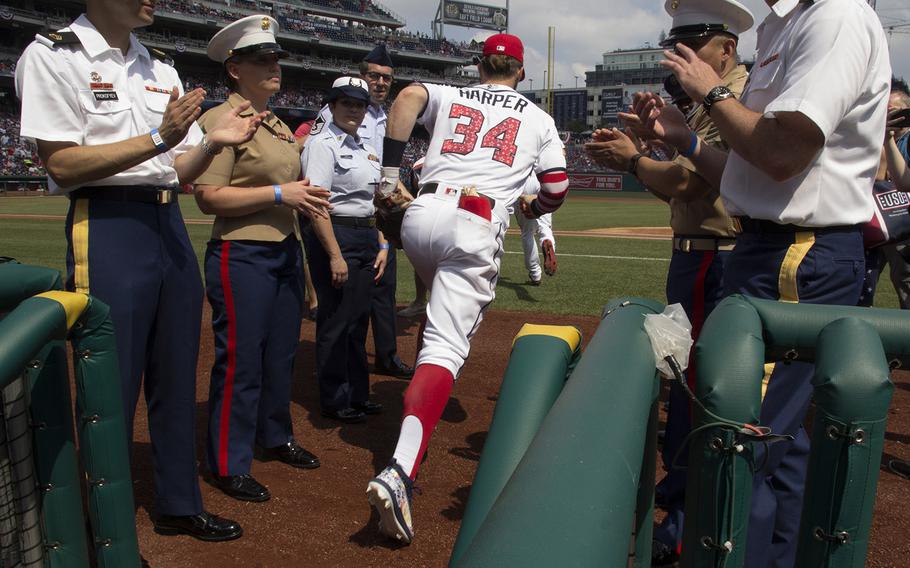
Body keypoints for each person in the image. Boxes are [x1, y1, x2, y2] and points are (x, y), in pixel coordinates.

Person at [629, 0, 890, 565]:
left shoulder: (834, 15)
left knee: (739, 438)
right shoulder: (784, 23)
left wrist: (712, 93)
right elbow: (751, 176)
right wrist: (684, 138)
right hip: (772, 246)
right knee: (781, 444)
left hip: (797, 252)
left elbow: (781, 155)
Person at [15, 0, 268, 542]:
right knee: (111, 378)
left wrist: (210, 145)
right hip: (108, 225)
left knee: (176, 373)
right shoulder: (53, 55)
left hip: (166, 220)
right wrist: (160, 137)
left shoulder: (159, 67)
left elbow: (173, 169)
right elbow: (60, 162)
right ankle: (95, 523)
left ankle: (179, 500)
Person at [365, 33, 569, 544]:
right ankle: (401, 470)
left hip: (422, 213)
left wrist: (391, 174)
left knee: (436, 312)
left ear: (481, 66)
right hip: (475, 218)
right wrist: (536, 210)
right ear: (521, 72)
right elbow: (558, 188)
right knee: (446, 347)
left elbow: (408, 96)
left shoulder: (453, 93)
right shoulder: (539, 119)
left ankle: (417, 405)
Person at [584, 1, 751, 563]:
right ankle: (682, 495)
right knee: (684, 376)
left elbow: (685, 183)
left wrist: (634, 160)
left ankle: (686, 519)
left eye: (690, 42)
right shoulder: (708, 101)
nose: (675, 51)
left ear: (724, 50)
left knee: (695, 383)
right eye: (673, 40)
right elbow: (676, 183)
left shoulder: (734, 98)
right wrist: (648, 147)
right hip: (699, 254)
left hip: (718, 256)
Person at [194, 15, 330, 504]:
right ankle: (229, 462)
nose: (274, 66)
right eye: (261, 60)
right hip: (241, 251)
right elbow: (208, 197)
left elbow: (288, 198)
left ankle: (275, 436)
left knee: (281, 356)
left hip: (283, 250)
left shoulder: (274, 123)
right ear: (235, 69)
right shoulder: (221, 120)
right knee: (241, 362)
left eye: (275, 58)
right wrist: (280, 190)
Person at [312, 44, 414, 379]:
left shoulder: (387, 118)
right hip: (342, 220)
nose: (381, 82)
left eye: (387, 78)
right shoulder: (332, 118)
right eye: (374, 76)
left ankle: (387, 356)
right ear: (362, 76)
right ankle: (338, 380)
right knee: (346, 310)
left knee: (384, 291)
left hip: (376, 220)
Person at [302, 76, 388, 424]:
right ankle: (335, 399)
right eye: (347, 103)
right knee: (336, 320)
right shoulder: (322, 144)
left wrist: (381, 242)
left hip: (365, 237)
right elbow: (316, 205)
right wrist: (335, 255)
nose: (354, 109)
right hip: (336, 235)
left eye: (360, 104)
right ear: (332, 105)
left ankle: (358, 393)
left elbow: (373, 201)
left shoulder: (364, 147)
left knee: (358, 320)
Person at [863, 81, 910, 308]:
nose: (890, 116)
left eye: (895, 112)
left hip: (900, 224)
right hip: (881, 222)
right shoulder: (884, 140)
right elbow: (903, 181)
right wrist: (886, 139)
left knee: (904, 278)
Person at [511, 175, 558, 285]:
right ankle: (547, 240)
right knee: (545, 227)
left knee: (528, 233)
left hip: (523, 180)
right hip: (541, 179)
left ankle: (535, 274)